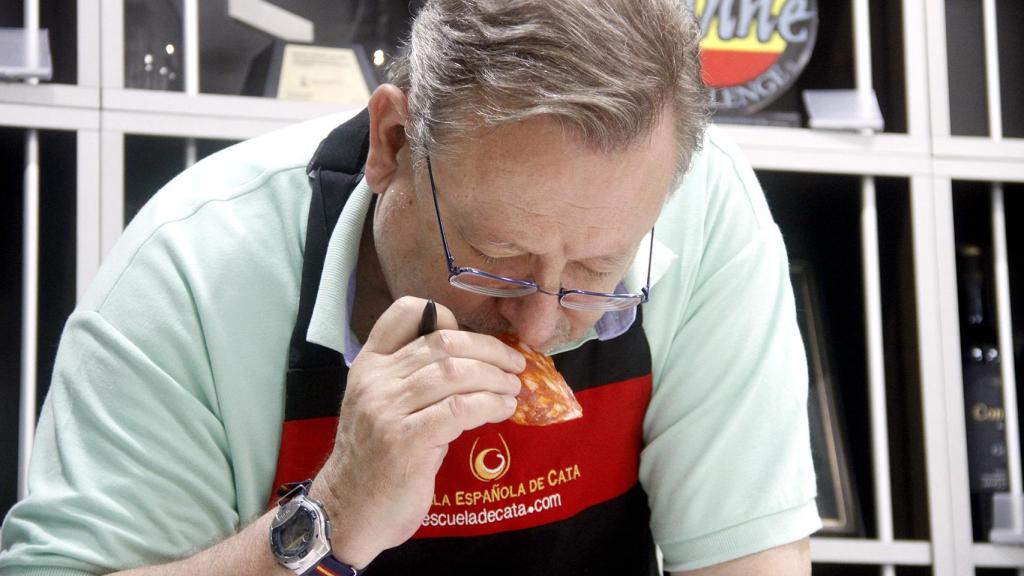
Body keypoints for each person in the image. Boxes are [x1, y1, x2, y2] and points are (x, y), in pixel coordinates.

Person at [0, 0, 820, 574]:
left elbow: (744, 558)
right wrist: (330, 518)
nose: (536, 326)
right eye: (495, 256)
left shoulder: (706, 210)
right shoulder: (193, 269)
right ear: (392, 142)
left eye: (598, 276)